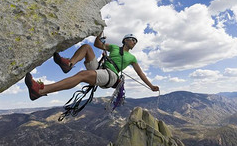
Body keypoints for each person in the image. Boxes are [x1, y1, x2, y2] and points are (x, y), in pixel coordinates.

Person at [25, 33, 160, 100]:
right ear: (125, 40)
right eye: (132, 39)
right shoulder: (113, 47)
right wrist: (99, 34)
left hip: (111, 76)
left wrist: (150, 86)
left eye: (135, 41)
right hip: (101, 68)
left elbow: (140, 73)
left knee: (82, 75)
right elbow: (97, 44)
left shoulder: (132, 58)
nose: (134, 42)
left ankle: (41, 91)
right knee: (87, 47)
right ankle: (69, 64)